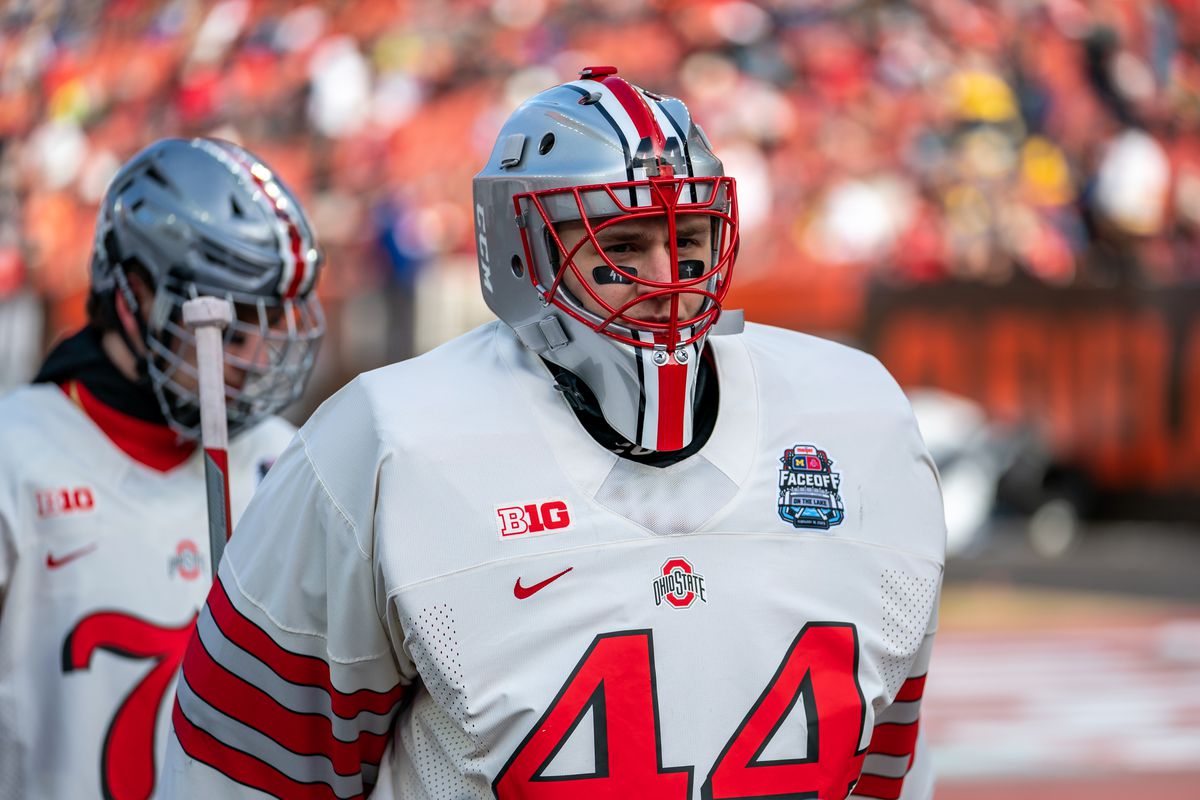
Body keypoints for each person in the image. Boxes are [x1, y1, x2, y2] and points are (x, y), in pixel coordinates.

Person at [162, 67, 945, 800]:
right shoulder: (390, 442)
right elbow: (248, 768)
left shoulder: (859, 418)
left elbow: (880, 763)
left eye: (690, 238)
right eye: (622, 245)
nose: (668, 277)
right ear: (522, 250)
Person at [0, 137, 325, 800]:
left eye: (272, 328)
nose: (259, 361)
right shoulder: (17, 457)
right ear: (136, 293)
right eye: (233, 330)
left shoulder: (282, 456)